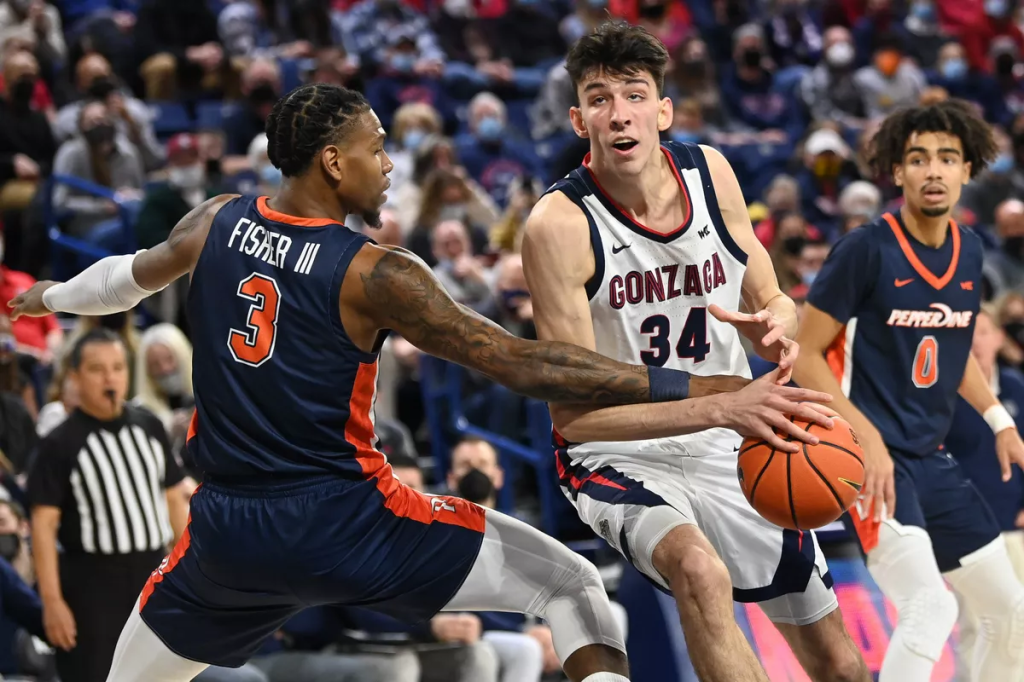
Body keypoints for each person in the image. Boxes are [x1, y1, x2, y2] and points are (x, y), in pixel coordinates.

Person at [9, 83, 833, 682]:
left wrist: (42, 297)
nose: (388, 165)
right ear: (333, 162)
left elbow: (122, 279)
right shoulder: (374, 272)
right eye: (377, 148)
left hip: (228, 538)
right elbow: (521, 363)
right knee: (574, 586)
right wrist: (706, 391)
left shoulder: (214, 221)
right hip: (349, 525)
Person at [522, 22, 869, 682]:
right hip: (620, 452)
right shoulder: (558, 225)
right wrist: (720, 407)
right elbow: (576, 419)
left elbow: (774, 299)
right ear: (578, 119)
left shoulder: (711, 173)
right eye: (599, 98)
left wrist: (774, 326)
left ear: (663, 111)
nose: (618, 114)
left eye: (634, 94)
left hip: (732, 434)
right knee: (698, 568)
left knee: (841, 666)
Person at [793, 99, 1024, 682]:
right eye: (918, 159)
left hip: (930, 457)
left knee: (1010, 612)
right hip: (865, 458)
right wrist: (866, 438)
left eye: (947, 158)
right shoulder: (866, 249)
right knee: (930, 607)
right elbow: (805, 355)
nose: (933, 170)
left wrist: (999, 420)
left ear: (967, 169)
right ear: (897, 171)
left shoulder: (970, 251)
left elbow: (955, 348)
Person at [26, 329, 190, 682]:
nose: (109, 378)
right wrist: (52, 601)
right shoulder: (59, 444)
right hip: (91, 584)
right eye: (97, 369)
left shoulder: (149, 426)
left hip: (152, 573)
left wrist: (188, 573)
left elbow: (174, 500)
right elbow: (43, 525)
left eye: (117, 367)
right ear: (75, 377)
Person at [944, 304, 1024, 681]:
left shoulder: (1016, 387)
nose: (975, 341)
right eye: (967, 332)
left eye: (984, 332)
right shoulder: (943, 393)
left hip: (1016, 524)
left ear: (999, 339)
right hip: (969, 528)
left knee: (1017, 623)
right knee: (977, 624)